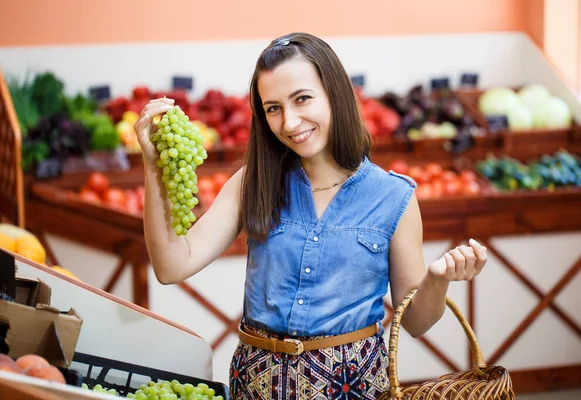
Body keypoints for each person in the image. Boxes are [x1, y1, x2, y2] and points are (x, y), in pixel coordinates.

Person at [134, 32, 488, 400]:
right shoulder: (253, 182)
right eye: (273, 108)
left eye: (302, 99)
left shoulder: (393, 196)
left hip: (355, 390)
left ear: (335, 93)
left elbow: (415, 322)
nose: (289, 122)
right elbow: (172, 265)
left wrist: (436, 280)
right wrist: (152, 165)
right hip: (256, 387)